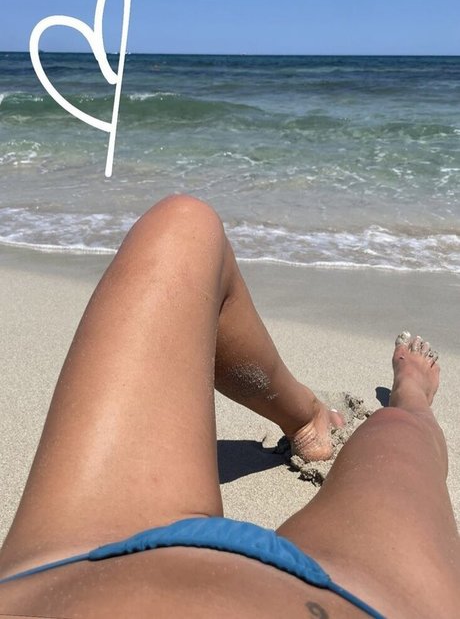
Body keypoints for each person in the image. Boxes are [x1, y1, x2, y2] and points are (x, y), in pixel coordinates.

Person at [0, 195, 458, 618]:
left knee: (183, 225)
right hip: (344, 601)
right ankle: (412, 395)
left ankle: (305, 417)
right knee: (397, 430)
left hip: (67, 569)